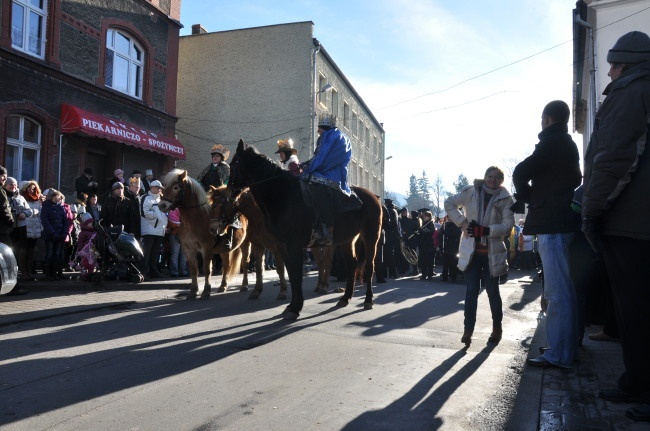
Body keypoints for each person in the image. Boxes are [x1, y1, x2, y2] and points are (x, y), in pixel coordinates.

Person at [581, 31, 650, 422]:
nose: (607, 73)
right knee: (634, 310)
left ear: (624, 64)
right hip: (638, 219)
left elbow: (614, 156)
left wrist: (592, 209)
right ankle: (635, 380)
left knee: (636, 310)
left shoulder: (631, 89)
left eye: (612, 66)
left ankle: (643, 386)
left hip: (631, 221)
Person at [512, 100, 582, 369]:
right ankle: (566, 347)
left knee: (557, 293)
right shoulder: (568, 144)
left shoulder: (552, 141)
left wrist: (531, 197)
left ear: (546, 119)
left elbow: (520, 171)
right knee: (565, 290)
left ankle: (559, 354)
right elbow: (575, 179)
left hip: (552, 224)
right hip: (562, 221)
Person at [445, 166, 514, 346]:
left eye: (497, 177)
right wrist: (462, 222)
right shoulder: (471, 192)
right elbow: (449, 203)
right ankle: (468, 330)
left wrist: (487, 230)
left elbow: (508, 226)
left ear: (501, 181)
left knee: (492, 292)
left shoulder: (506, 199)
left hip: (492, 254)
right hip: (472, 253)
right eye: (490, 176)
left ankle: (497, 328)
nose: (492, 180)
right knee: (471, 292)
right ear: (484, 177)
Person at [301, 115, 353, 246]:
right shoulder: (338, 136)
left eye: (319, 129)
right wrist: (305, 164)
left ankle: (327, 230)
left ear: (323, 128)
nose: (318, 132)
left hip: (329, 174)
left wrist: (308, 168)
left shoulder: (328, 137)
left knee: (317, 190)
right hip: (333, 172)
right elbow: (320, 157)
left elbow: (321, 158)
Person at [140, 180, 167, 279]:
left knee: (155, 253)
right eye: (158, 187)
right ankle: (144, 272)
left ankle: (154, 271)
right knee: (146, 252)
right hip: (149, 230)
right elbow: (144, 213)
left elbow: (165, 214)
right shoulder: (146, 198)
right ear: (152, 187)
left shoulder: (161, 199)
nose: (160, 189)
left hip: (159, 230)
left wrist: (164, 222)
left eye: (160, 188)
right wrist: (158, 217)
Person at [40, 189, 69, 281]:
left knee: (59, 254)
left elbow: (65, 220)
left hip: (60, 234)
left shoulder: (61, 207)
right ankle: (49, 274)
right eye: (55, 197)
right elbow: (45, 221)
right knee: (50, 254)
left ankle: (58, 273)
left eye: (59, 197)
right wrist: (53, 232)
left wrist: (65, 232)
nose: (57, 199)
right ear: (51, 197)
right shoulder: (46, 207)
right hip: (50, 235)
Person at [19, 180, 43, 280]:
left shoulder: (38, 201)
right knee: (23, 252)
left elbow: (40, 215)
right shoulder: (21, 199)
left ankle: (29, 273)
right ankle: (23, 273)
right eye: (29, 188)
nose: (31, 190)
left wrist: (41, 228)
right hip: (25, 228)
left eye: (33, 188)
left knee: (31, 252)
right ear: (25, 189)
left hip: (35, 230)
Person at [414, 210, 436, 280]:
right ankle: (423, 275)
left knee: (429, 261)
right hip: (423, 245)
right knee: (423, 261)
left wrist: (421, 232)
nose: (424, 217)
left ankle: (429, 275)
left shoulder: (431, 224)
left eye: (425, 216)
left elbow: (430, 233)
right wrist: (417, 234)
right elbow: (421, 233)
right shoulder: (423, 224)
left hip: (429, 245)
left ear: (429, 217)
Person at [166, 208, 188, 277]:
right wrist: (182, 225)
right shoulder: (172, 211)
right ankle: (174, 272)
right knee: (175, 254)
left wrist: (179, 225)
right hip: (175, 235)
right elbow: (173, 224)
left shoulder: (187, 211)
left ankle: (183, 271)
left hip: (184, 235)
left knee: (183, 255)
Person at [382, 198, 401, 278]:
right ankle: (391, 273)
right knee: (390, 254)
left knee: (387, 255)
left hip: (388, 234)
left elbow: (387, 223)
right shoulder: (394, 211)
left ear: (386, 204)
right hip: (393, 235)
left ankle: (389, 273)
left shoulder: (388, 211)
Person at [440, 216, 461, 282]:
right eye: (448, 218)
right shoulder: (445, 225)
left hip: (453, 247)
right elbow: (441, 235)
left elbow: (455, 235)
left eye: (450, 218)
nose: (448, 219)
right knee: (445, 263)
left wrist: (445, 232)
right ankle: (445, 276)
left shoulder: (456, 225)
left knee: (453, 263)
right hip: (445, 247)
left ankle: (453, 276)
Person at [0, 166, 14, 245]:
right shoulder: (1, 191)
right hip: (1, 228)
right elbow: (4, 207)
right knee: (7, 250)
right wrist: (10, 221)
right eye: (3, 176)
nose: (5, 179)